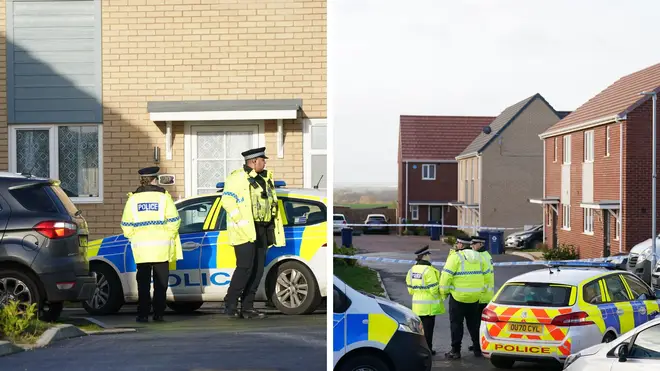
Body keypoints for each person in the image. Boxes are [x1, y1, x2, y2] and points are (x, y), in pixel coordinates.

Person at [222, 147, 285, 319]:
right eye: (262, 160)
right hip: (243, 231)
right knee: (245, 268)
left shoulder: (266, 178)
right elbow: (227, 201)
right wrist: (240, 221)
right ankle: (231, 304)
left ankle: (248, 307)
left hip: (263, 228)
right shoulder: (237, 178)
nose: (265, 162)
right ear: (253, 161)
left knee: (257, 270)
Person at [120, 166, 183, 323]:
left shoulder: (133, 199)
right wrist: (167, 235)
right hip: (161, 248)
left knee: (143, 284)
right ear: (154, 179)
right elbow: (175, 221)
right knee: (161, 284)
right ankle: (158, 314)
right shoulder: (164, 198)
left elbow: (126, 224)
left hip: (141, 250)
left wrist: (134, 237)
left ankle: (142, 314)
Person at [439, 236, 486, 360]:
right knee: (474, 324)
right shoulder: (479, 257)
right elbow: (484, 276)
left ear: (460, 245)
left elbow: (446, 277)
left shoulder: (455, 257)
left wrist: (444, 293)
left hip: (458, 298)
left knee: (456, 325)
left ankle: (456, 351)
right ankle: (478, 348)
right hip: (475, 297)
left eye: (457, 243)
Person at [406, 245, 445, 355]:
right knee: (428, 331)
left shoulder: (412, 270)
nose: (430, 257)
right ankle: (428, 350)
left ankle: (419, 348)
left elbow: (410, 290)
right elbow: (434, 289)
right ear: (425, 256)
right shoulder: (428, 270)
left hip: (417, 305)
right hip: (429, 306)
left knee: (419, 330)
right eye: (428, 255)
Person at [468, 236, 494, 353]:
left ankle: (478, 346)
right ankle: (478, 343)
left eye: (474, 244)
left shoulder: (481, 257)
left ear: (481, 244)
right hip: (485, 294)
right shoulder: (486, 256)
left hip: (482, 295)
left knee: (477, 323)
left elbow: (484, 277)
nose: (472, 246)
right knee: (479, 323)